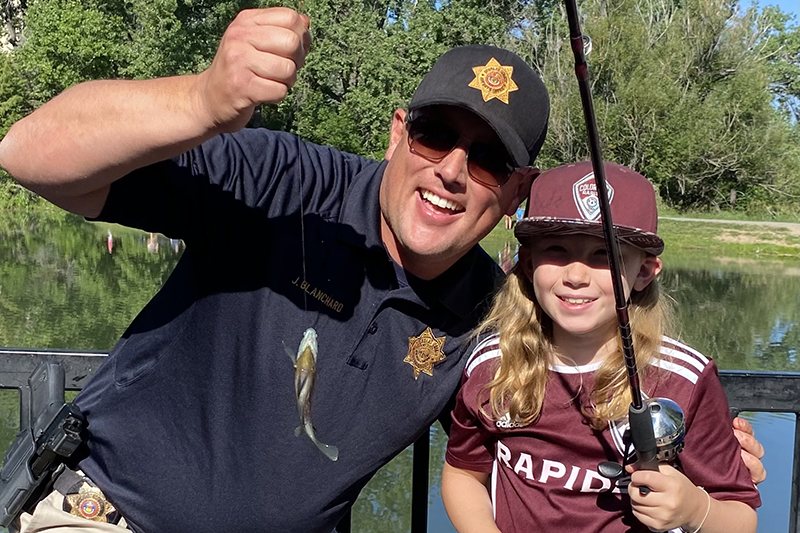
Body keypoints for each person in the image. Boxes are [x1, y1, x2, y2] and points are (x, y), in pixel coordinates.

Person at [0, 7, 763, 532]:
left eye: (489, 157)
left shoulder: (493, 317)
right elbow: (28, 153)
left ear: (516, 192)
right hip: (107, 512)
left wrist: (699, 441)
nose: (453, 171)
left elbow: (564, 395)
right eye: (436, 135)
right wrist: (202, 99)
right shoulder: (283, 181)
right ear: (400, 131)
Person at [441, 161, 761, 533]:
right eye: (557, 250)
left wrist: (694, 510)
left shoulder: (685, 378)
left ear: (643, 272)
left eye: (604, 256)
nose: (575, 276)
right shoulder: (492, 363)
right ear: (527, 265)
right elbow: (463, 474)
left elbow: (741, 518)